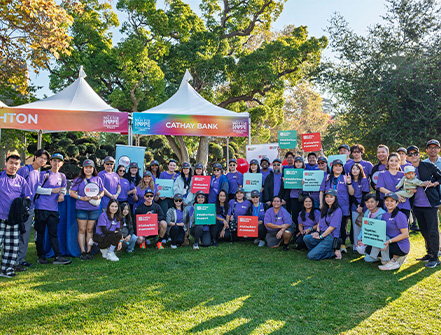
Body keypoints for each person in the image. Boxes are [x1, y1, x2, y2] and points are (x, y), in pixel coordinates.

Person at [33, 153, 71, 265]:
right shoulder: (44, 174)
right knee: (40, 233)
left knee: (53, 233)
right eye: (54, 160)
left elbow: (63, 188)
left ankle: (58, 256)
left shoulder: (62, 176)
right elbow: (36, 189)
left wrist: (62, 194)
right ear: (50, 162)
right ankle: (41, 256)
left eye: (59, 161)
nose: (56, 163)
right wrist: (52, 191)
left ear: (62, 163)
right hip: (41, 208)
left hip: (53, 209)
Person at [407, 145, 441, 268]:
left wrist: (434, 183)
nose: (413, 156)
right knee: (424, 230)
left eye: (415, 153)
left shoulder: (428, 166)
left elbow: (440, 176)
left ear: (419, 154)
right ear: (407, 157)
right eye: (410, 154)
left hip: (430, 204)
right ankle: (429, 252)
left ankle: (435, 257)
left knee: (432, 231)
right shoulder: (406, 169)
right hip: (416, 205)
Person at [16, 148, 49, 269]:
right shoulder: (25, 170)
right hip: (19, 207)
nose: (43, 160)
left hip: (30, 209)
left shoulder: (38, 173)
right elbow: (16, 186)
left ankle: (20, 260)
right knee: (16, 235)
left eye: (45, 159)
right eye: (41, 157)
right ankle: (13, 260)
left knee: (25, 235)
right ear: (35, 157)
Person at [0, 154, 31, 278]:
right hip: (0, 217)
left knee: (11, 245)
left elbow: (27, 196)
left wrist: (24, 207)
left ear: (19, 166)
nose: (13, 166)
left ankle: (6, 269)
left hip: (14, 219)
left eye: (16, 164)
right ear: (6, 163)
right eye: (11, 163)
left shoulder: (21, 180)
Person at [69, 159, 104, 261]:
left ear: (93, 169)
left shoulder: (98, 179)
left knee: (90, 230)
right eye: (86, 167)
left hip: (94, 208)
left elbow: (102, 192)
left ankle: (89, 251)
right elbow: (72, 193)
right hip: (81, 208)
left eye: (90, 167)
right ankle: (82, 251)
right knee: (82, 229)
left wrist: (98, 197)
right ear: (83, 168)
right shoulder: (78, 180)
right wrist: (81, 198)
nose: (88, 169)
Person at [319, 159, 350, 253]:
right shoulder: (327, 177)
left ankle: (342, 244)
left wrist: (349, 182)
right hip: (329, 205)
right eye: (336, 166)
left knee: (342, 226)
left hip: (343, 206)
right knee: (330, 225)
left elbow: (351, 192)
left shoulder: (345, 178)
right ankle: (331, 243)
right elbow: (321, 191)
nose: (338, 168)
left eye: (340, 166)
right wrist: (321, 204)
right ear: (332, 168)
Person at [374, 193, 410, 270]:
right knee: (369, 248)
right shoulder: (384, 215)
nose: (389, 203)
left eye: (392, 201)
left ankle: (395, 260)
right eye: (387, 200)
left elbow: (405, 234)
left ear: (397, 203)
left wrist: (389, 241)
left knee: (382, 248)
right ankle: (391, 258)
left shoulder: (400, 215)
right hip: (388, 242)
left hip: (400, 245)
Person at [304, 189, 342, 260]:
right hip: (322, 233)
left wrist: (321, 236)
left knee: (311, 256)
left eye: (331, 197)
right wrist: (317, 232)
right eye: (327, 197)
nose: (328, 199)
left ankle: (331, 253)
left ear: (335, 198)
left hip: (330, 237)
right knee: (306, 238)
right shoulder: (325, 208)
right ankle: (320, 249)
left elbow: (332, 227)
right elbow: (320, 222)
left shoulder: (337, 210)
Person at [376, 153, 412, 220]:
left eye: (396, 161)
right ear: (388, 162)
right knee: (391, 226)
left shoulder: (403, 175)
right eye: (391, 160)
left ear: (399, 162)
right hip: (390, 204)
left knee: (404, 227)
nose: (393, 163)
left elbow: (408, 187)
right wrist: (395, 195)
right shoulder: (382, 174)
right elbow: (381, 188)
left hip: (403, 203)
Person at [356, 194, 389, 263]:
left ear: (377, 203)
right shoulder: (367, 213)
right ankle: (376, 256)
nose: (369, 204)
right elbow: (364, 228)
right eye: (367, 202)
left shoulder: (382, 214)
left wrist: (366, 242)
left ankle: (384, 257)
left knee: (368, 256)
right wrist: (360, 239)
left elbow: (381, 233)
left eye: (372, 202)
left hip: (380, 240)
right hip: (370, 238)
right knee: (361, 250)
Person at [348, 163, 370, 250]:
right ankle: (355, 246)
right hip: (354, 207)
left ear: (360, 170)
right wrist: (357, 206)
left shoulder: (364, 180)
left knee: (364, 226)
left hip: (364, 206)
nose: (355, 170)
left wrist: (361, 206)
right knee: (355, 226)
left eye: (357, 169)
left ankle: (366, 245)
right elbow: (351, 195)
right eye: (353, 169)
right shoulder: (350, 181)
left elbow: (365, 194)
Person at [289, 156, 305, 228]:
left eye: (300, 162)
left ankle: (302, 231)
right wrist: (285, 180)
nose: (298, 164)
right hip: (294, 196)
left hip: (304, 196)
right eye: (296, 162)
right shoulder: (290, 172)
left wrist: (306, 183)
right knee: (295, 215)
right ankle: (295, 231)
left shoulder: (306, 172)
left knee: (303, 214)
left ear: (302, 163)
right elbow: (287, 184)